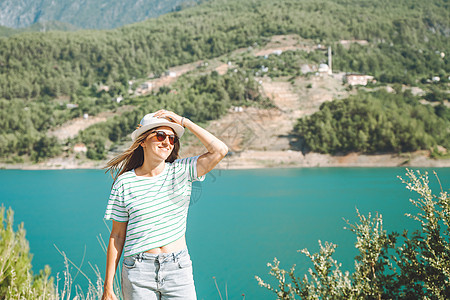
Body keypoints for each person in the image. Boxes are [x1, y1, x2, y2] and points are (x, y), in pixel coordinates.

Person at [101, 109, 228, 300]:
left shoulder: (182, 171)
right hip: (138, 271)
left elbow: (220, 150)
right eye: (160, 135)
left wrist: (184, 121)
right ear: (142, 141)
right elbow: (117, 236)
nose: (167, 142)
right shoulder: (124, 183)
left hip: (178, 269)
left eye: (172, 138)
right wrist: (108, 286)